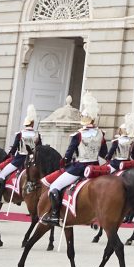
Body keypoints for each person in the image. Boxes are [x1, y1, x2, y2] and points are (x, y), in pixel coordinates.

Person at [44, 96, 105, 224]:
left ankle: (55, 215)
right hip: (95, 168)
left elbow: (68, 154)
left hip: (79, 168)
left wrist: (64, 163)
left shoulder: (78, 134)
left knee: (55, 186)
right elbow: (104, 153)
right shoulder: (101, 134)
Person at [0, 105, 40, 196]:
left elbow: (14, 148)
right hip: (33, 161)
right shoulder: (37, 134)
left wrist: (8, 156)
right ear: (33, 124)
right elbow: (40, 149)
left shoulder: (20, 134)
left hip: (19, 160)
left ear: (25, 124)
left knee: (1, 175)